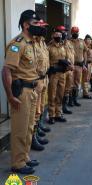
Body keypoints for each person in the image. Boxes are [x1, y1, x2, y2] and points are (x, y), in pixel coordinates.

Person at [2, 9, 43, 174]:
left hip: (32, 90)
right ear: (26, 25)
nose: (39, 27)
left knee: (28, 127)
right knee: (20, 129)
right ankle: (17, 163)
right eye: (35, 24)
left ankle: (24, 157)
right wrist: (10, 96)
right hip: (22, 93)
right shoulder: (17, 44)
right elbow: (6, 71)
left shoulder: (32, 43)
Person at [31, 20, 50, 151]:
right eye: (42, 27)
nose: (44, 29)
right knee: (34, 112)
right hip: (36, 81)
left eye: (44, 27)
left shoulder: (42, 42)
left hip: (44, 79)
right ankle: (32, 138)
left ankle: (37, 132)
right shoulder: (32, 43)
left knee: (41, 107)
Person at [48, 30, 71, 124]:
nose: (59, 36)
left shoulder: (64, 47)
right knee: (52, 95)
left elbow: (67, 58)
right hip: (53, 74)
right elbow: (45, 61)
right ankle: (51, 115)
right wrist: (51, 67)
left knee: (60, 95)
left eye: (60, 35)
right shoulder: (49, 47)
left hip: (62, 74)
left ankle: (58, 113)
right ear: (53, 36)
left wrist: (67, 64)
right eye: (57, 35)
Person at [55, 25, 75, 113]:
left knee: (67, 89)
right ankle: (57, 111)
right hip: (61, 71)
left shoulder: (69, 43)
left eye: (65, 32)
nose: (65, 33)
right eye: (62, 32)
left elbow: (72, 55)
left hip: (69, 70)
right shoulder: (55, 44)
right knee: (59, 92)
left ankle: (64, 106)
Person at [70, 26, 88, 106]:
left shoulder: (81, 42)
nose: (75, 34)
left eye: (76, 32)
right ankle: (69, 100)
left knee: (77, 83)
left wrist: (85, 64)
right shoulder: (68, 42)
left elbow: (85, 52)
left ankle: (75, 99)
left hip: (79, 66)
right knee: (70, 83)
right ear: (71, 33)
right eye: (74, 32)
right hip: (71, 66)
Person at [83, 34, 92, 99]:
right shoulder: (84, 47)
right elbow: (83, 56)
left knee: (88, 78)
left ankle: (87, 91)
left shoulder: (90, 47)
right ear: (85, 40)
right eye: (88, 39)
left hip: (90, 64)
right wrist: (84, 64)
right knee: (85, 79)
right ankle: (85, 93)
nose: (89, 41)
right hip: (85, 64)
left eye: (90, 39)